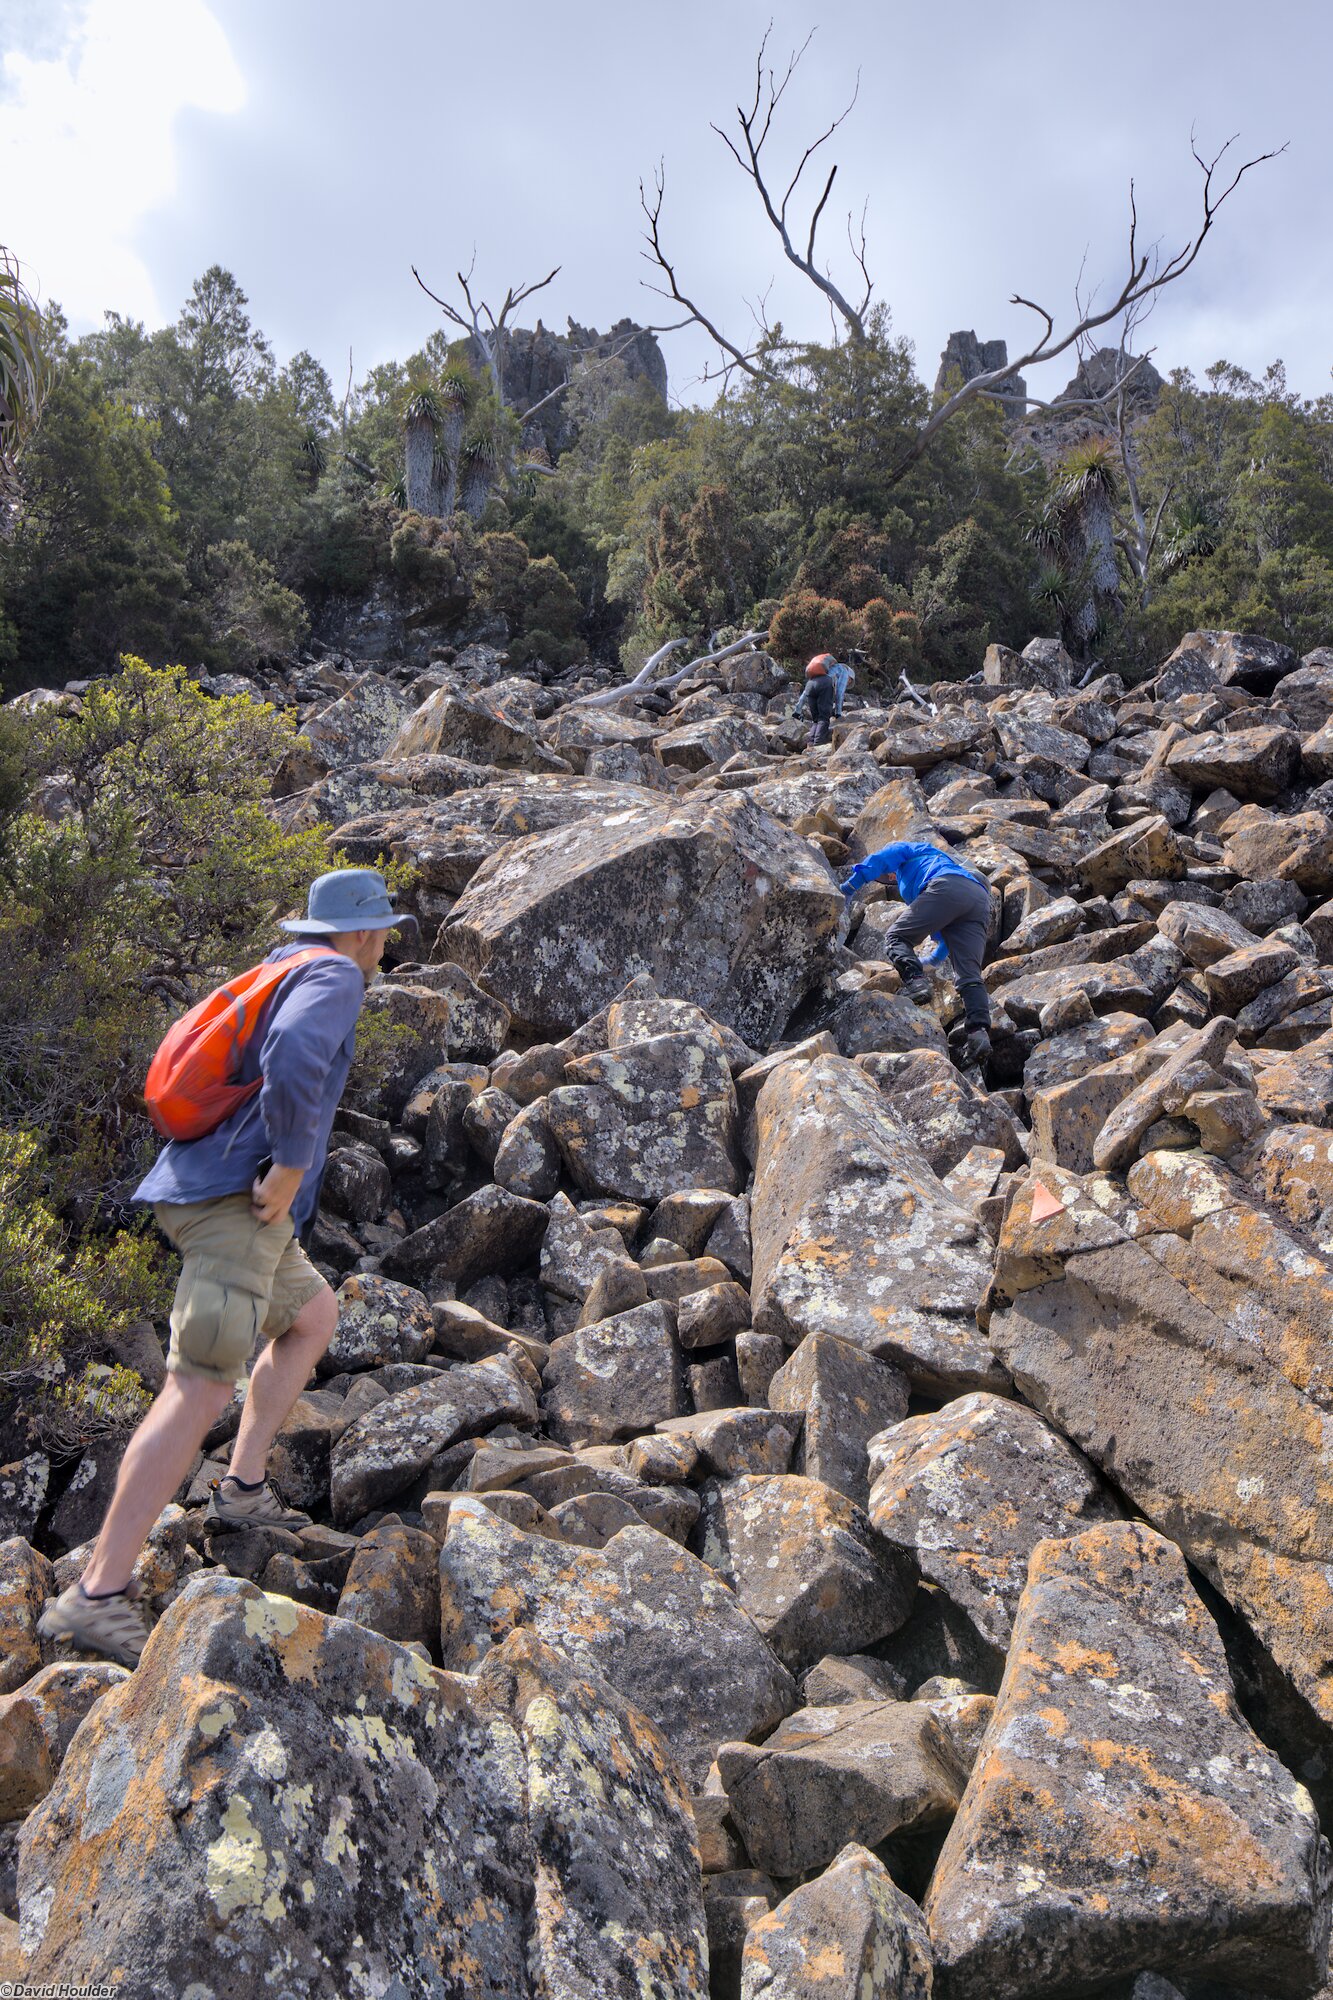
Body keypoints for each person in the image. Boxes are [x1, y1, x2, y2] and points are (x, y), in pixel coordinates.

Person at [39, 867, 416, 1667]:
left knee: (312, 1317)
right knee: (199, 1384)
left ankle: (241, 1490)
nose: (384, 945)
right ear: (360, 934)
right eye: (382, 929)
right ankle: (96, 1594)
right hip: (237, 1205)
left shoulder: (284, 965)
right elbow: (295, 1049)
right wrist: (287, 1163)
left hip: (219, 1198)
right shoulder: (335, 974)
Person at [841, 839, 993, 1065]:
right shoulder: (946, 862)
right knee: (969, 974)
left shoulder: (912, 850)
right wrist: (934, 959)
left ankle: (916, 982)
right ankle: (978, 1033)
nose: (889, 878)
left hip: (947, 886)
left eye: (888, 875)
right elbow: (947, 936)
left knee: (896, 937)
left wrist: (849, 887)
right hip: (980, 901)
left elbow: (881, 859)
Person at [794, 655, 838, 747]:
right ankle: (818, 744)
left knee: (816, 719)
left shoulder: (812, 676)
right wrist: (838, 711)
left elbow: (803, 696)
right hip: (824, 683)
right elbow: (839, 693)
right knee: (824, 718)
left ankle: (810, 743)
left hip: (810, 684)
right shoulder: (840, 670)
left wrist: (797, 710)